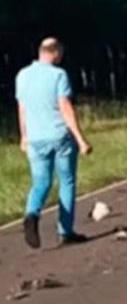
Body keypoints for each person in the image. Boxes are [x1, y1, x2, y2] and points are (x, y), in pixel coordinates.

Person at [16, 38, 92, 249]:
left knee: (40, 182)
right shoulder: (58, 75)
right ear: (56, 53)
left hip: (35, 138)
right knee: (67, 181)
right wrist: (80, 138)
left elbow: (22, 108)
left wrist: (24, 135)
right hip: (59, 136)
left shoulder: (22, 75)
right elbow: (65, 107)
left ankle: (32, 213)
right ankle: (65, 231)